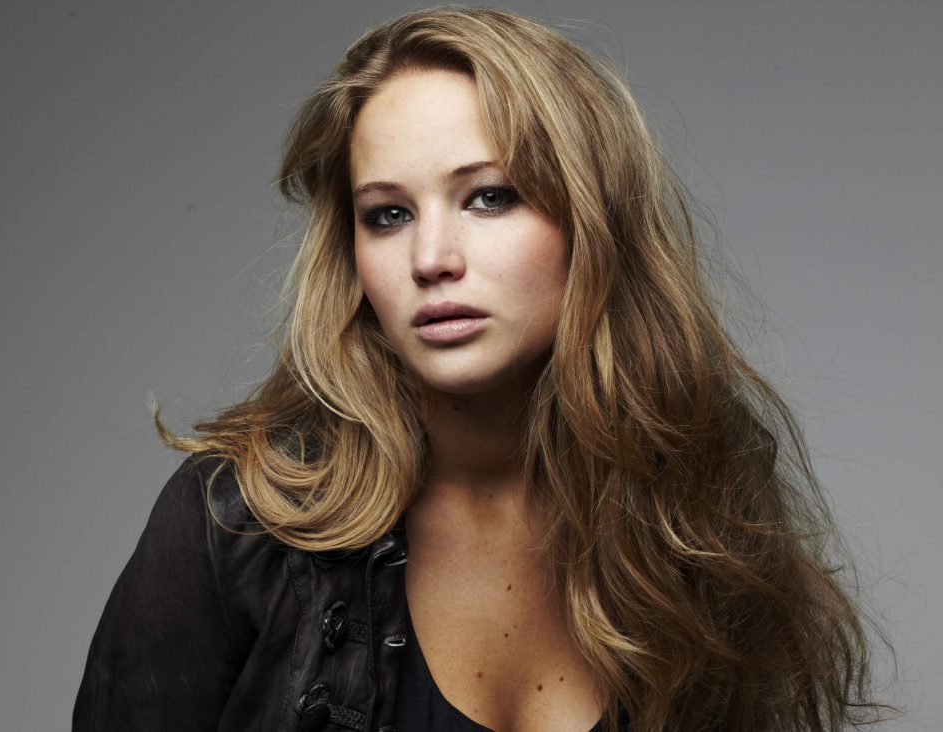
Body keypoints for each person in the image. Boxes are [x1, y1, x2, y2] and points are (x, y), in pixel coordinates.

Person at [73, 7, 888, 731]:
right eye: (387, 215)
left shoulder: (698, 512)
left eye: (489, 197)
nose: (431, 258)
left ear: (591, 222)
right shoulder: (238, 524)